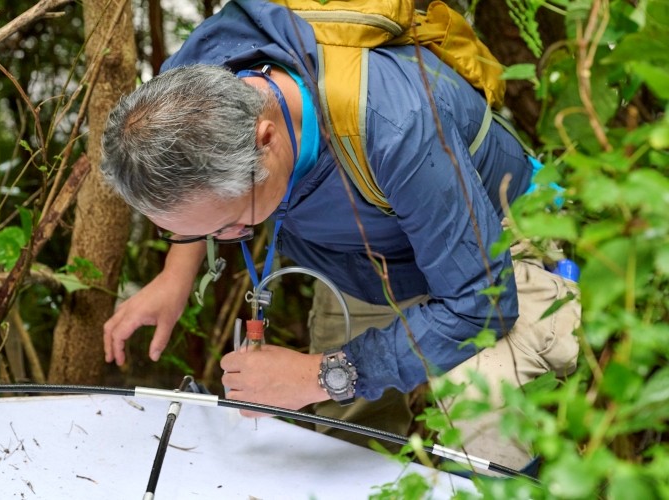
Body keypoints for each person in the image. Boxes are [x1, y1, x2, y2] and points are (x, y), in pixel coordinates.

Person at [101, 0, 579, 473]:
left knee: (489, 419)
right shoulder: (183, 95)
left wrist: (318, 375)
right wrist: (176, 271)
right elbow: (198, 196)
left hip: (488, 240)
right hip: (364, 261)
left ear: (265, 139)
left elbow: (480, 303)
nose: (229, 237)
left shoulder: (394, 121)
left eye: (233, 224)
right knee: (346, 443)